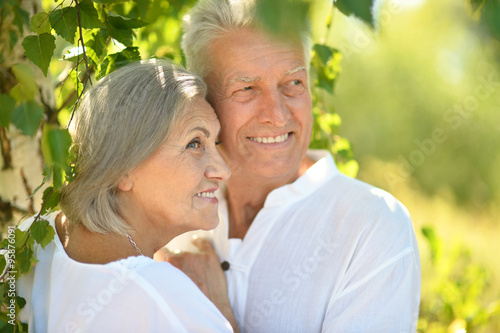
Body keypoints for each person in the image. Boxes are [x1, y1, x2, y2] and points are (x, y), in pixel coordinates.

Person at [160, 0, 421, 332]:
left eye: (293, 84)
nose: (278, 115)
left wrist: (217, 317)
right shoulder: (170, 208)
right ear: (203, 100)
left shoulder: (373, 225)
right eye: (247, 89)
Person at [16, 60, 239, 332]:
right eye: (194, 143)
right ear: (121, 168)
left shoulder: (28, 241)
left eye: (214, 143)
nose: (223, 170)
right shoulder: (160, 291)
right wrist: (220, 307)